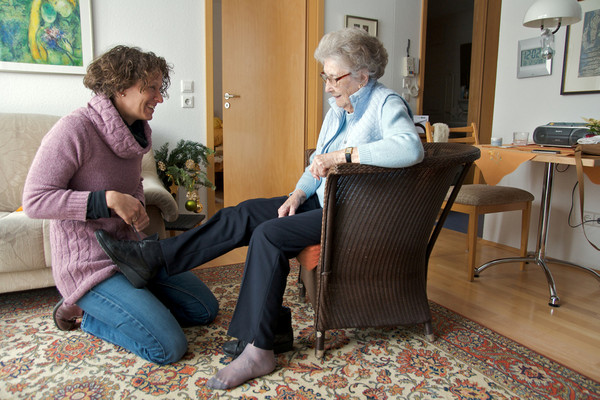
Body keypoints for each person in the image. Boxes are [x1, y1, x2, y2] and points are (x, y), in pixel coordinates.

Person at [95, 28, 424, 389]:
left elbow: (410, 149)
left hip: (356, 214)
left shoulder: (386, 103)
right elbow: (317, 164)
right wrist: (297, 195)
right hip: (324, 201)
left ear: (363, 75)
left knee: (269, 235)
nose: (328, 86)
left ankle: (258, 348)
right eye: (324, 77)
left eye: (334, 77)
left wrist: (343, 156)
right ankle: (155, 257)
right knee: (246, 213)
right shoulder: (337, 112)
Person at [22, 45, 219, 365]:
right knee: (168, 347)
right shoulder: (75, 129)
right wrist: (108, 200)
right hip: (88, 265)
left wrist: (137, 206)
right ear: (120, 87)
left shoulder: (138, 134)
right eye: (151, 88)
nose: (160, 97)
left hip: (133, 253)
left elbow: (136, 183)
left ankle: (133, 304)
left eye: (160, 87)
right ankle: (82, 313)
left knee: (204, 310)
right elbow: (34, 200)